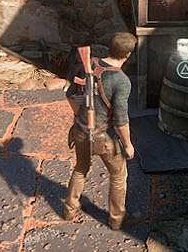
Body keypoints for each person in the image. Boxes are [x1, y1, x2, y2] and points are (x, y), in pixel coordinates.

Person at [64, 32, 142, 230]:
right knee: (118, 176)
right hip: (105, 137)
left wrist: (80, 117)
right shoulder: (121, 81)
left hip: (81, 131)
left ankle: (69, 209)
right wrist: (128, 145)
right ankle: (116, 220)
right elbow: (121, 121)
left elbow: (71, 94)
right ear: (128, 54)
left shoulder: (89, 64)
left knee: (81, 169)